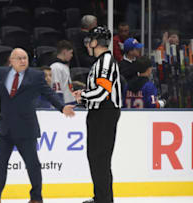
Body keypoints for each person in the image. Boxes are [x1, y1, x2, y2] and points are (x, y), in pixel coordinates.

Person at [0, 48, 76, 203]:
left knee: (32, 165)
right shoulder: (1, 73)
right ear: (11, 61)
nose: (23, 61)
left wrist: (62, 107)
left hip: (26, 128)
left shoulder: (35, 76)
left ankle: (36, 198)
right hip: (5, 129)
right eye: (19, 58)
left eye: (25, 58)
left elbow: (48, 93)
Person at [73, 26, 122, 203]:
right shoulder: (101, 62)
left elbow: (102, 92)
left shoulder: (106, 62)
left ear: (95, 42)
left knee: (100, 159)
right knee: (96, 158)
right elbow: (100, 91)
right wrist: (84, 96)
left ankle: (104, 200)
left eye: (89, 41)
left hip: (105, 114)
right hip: (98, 113)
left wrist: (84, 95)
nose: (87, 45)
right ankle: (101, 197)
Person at [50, 40, 76, 105]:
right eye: (70, 53)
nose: (72, 55)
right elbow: (56, 89)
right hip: (64, 103)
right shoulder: (55, 67)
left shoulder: (64, 66)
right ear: (64, 52)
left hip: (70, 102)